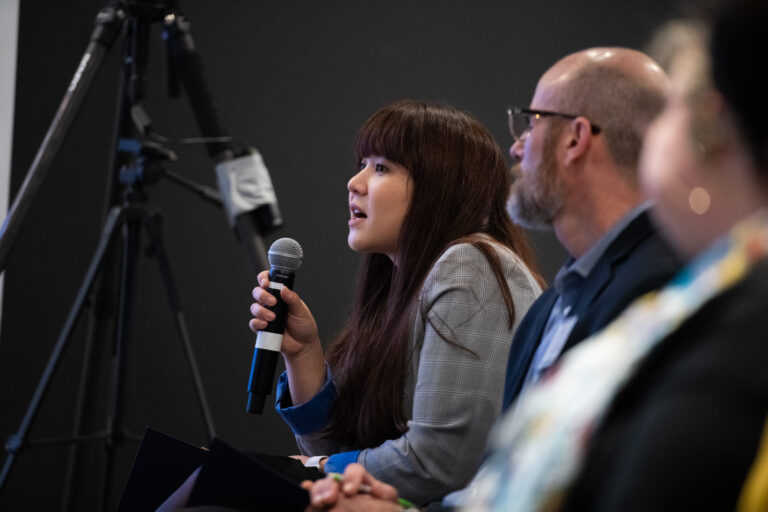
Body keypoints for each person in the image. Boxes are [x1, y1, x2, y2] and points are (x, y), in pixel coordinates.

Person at [301, 46, 683, 511]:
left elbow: (446, 465)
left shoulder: (654, 286)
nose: (517, 147)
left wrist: (321, 474)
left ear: (575, 139)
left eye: (532, 123)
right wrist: (303, 358)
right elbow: (504, 481)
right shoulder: (554, 304)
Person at [158, 100, 544, 510]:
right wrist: (304, 355)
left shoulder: (471, 265)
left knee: (210, 484)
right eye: (362, 163)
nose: (354, 182)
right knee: (184, 474)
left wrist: (313, 468)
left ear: (440, 185)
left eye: (381, 167)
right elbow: (354, 451)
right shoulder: (405, 285)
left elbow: (441, 463)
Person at [463, 1, 768, 509]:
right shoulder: (553, 302)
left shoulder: (704, 311)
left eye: (670, 114)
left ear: (711, 128)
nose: (515, 146)